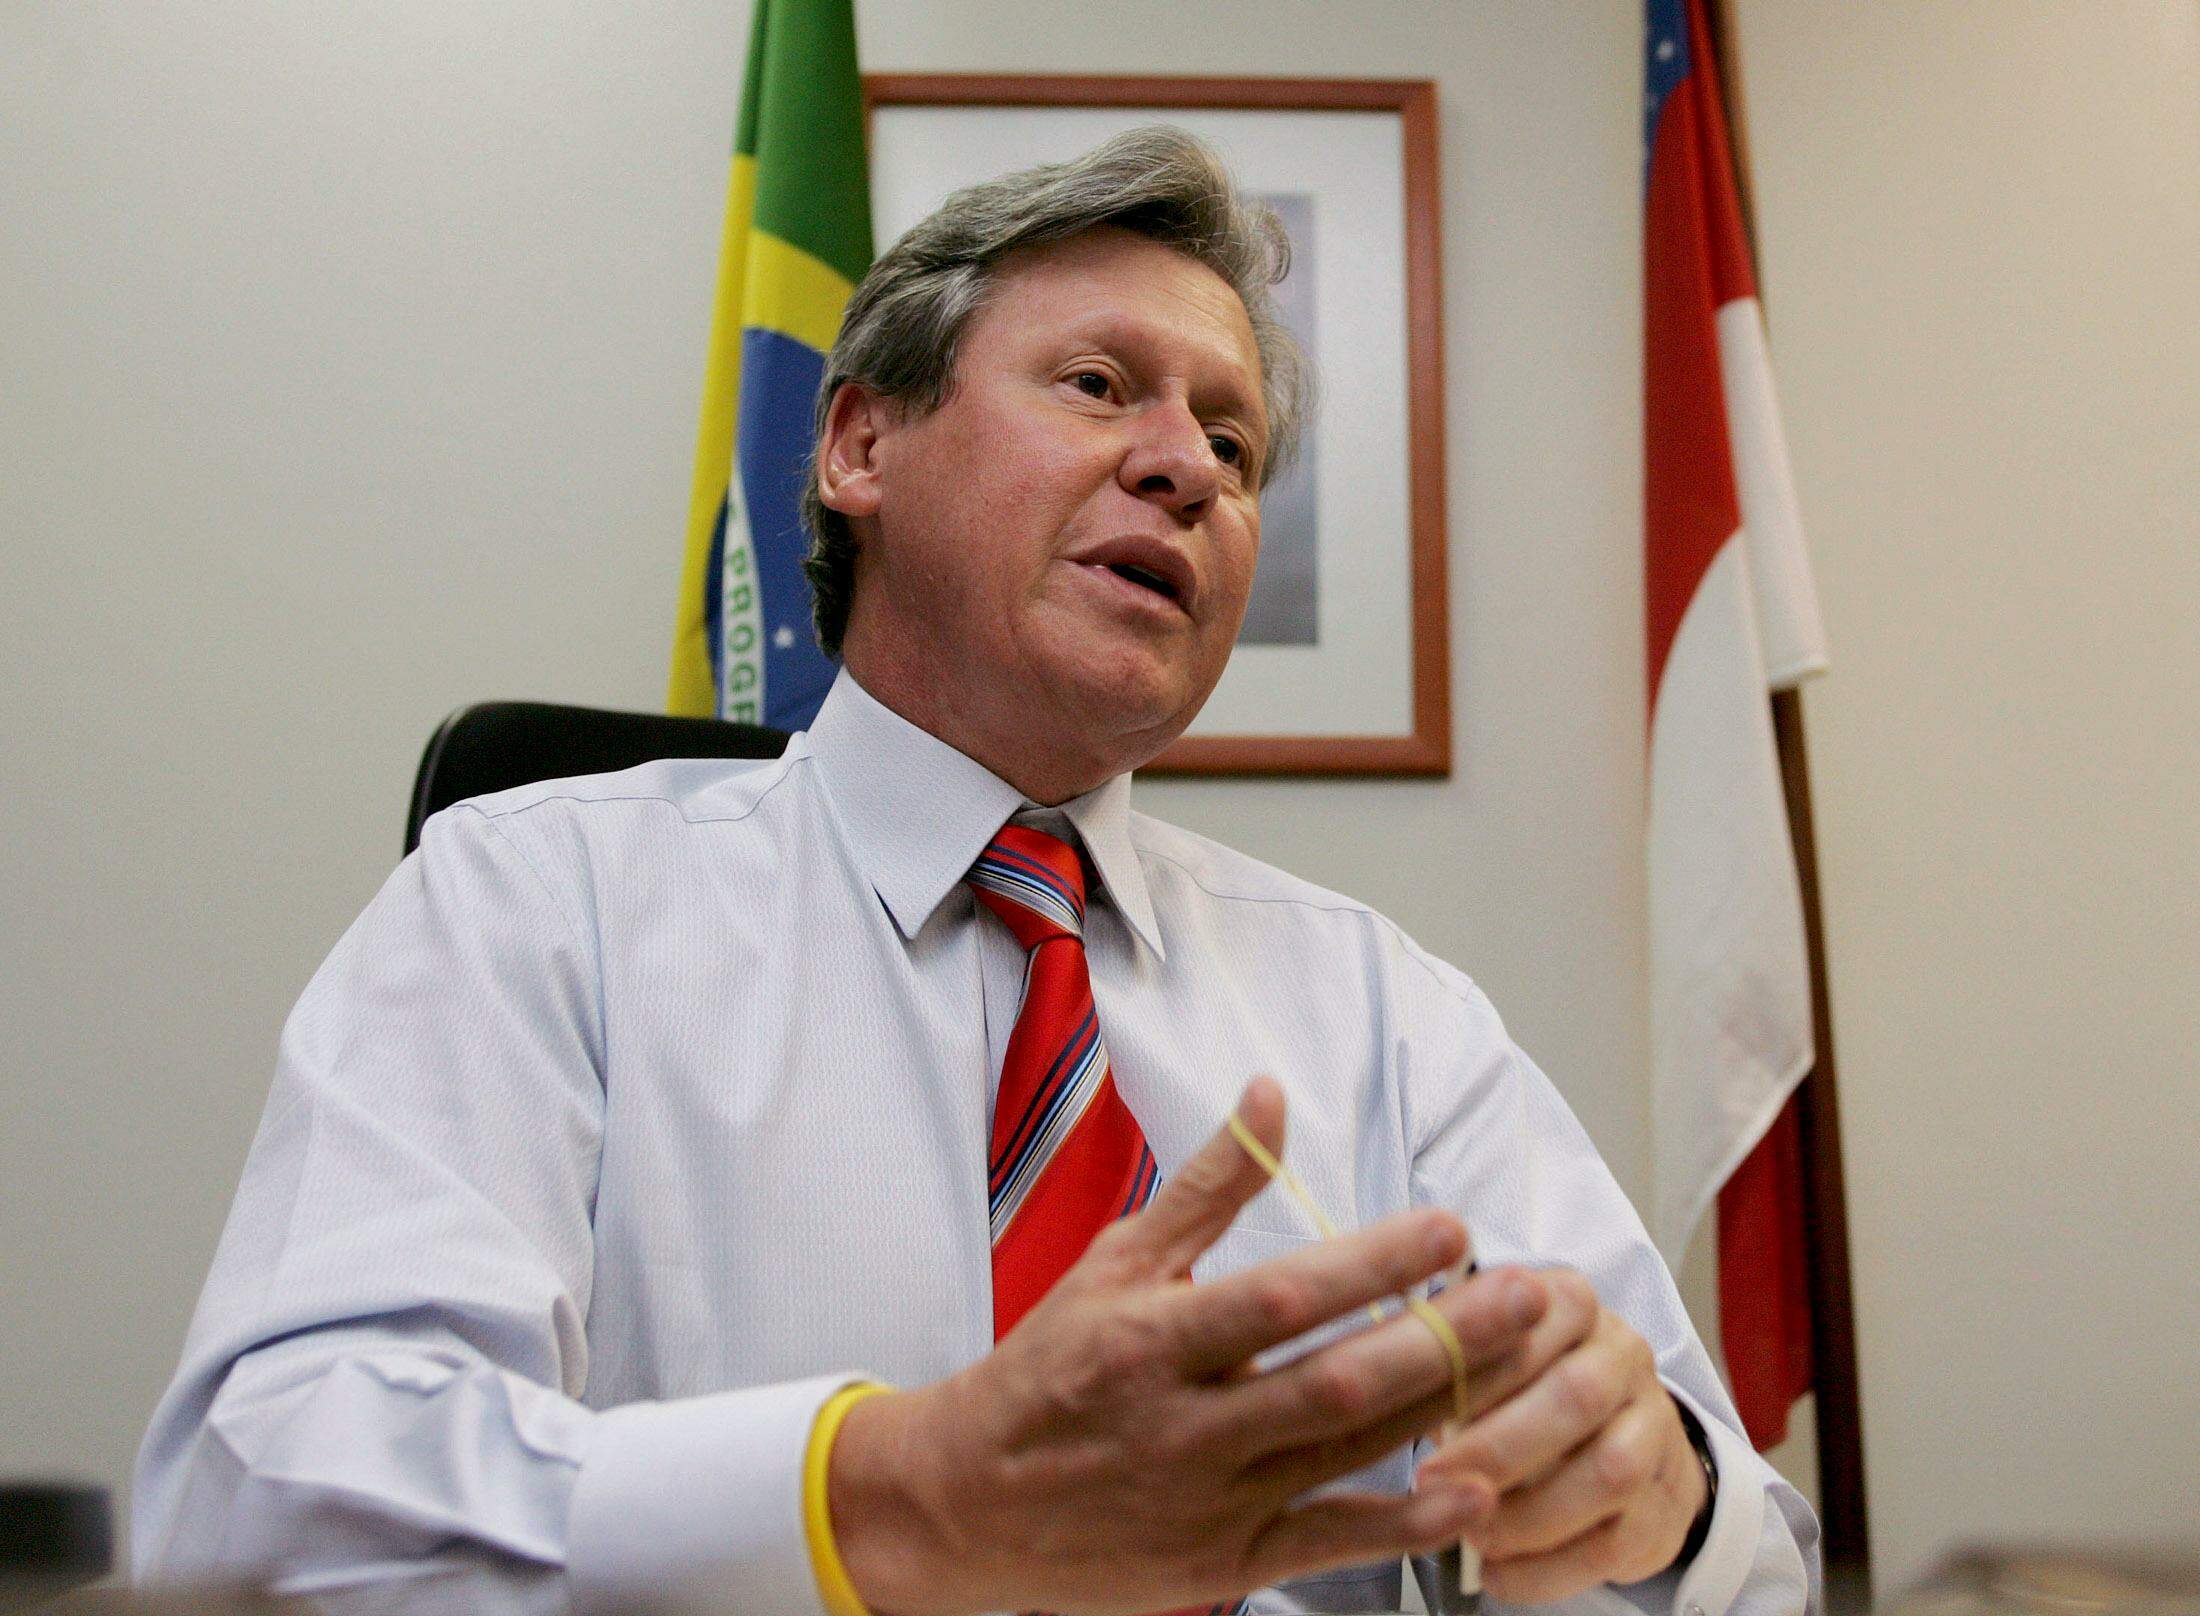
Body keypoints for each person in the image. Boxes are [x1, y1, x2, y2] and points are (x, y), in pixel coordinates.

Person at [135, 128, 1818, 1616]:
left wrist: (1650, 1499)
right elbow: (259, 1506)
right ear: (861, 446)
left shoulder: (1383, 1011)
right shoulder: (535, 901)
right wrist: (894, 1498)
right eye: (1097, 384)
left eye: (1234, 448)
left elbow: (1761, 1571)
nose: (1187, 468)